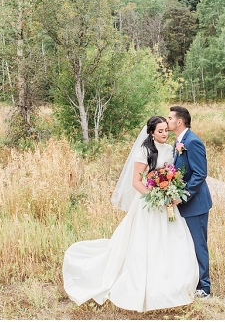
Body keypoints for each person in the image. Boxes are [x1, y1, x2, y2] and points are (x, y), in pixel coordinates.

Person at [62, 116, 199, 312]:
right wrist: (154, 196)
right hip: (148, 203)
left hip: (166, 202)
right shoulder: (144, 151)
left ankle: (172, 282)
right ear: (151, 132)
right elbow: (136, 181)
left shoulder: (170, 150)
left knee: (172, 239)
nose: (164, 133)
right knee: (144, 242)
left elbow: (172, 174)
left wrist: (169, 192)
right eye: (160, 131)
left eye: (165, 130)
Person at [167, 106, 213, 298]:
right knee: (186, 244)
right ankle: (191, 281)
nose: (166, 120)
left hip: (196, 204)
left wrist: (182, 195)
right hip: (184, 203)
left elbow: (200, 173)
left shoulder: (192, 141)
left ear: (180, 122)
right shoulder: (179, 141)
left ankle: (204, 287)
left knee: (198, 244)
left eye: (170, 118)